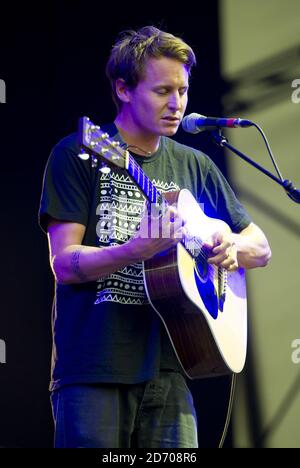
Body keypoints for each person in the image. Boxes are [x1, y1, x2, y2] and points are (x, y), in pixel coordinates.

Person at [39, 25, 271, 448]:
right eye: (162, 91)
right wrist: (134, 250)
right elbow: (63, 263)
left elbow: (261, 246)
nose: (177, 104)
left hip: (174, 363)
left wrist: (230, 246)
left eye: (182, 91)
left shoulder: (195, 164)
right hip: (95, 369)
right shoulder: (79, 154)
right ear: (124, 90)